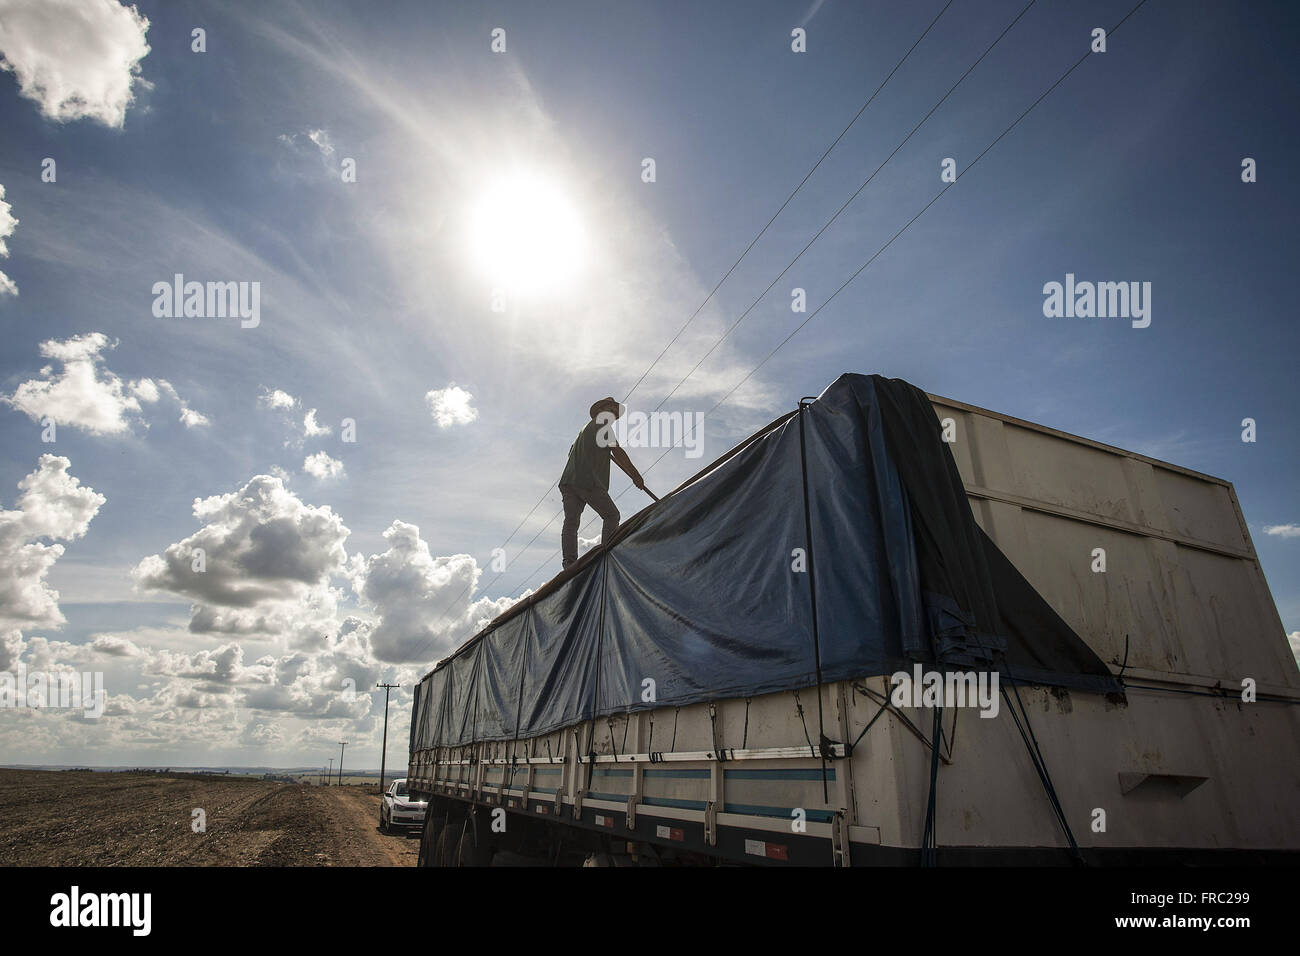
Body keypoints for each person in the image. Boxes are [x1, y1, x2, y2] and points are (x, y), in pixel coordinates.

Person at [559, 396, 651, 569]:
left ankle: (569, 563)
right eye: (612, 410)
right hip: (588, 481)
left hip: (568, 482)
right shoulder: (602, 425)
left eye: (616, 413)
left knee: (571, 522)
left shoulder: (584, 430)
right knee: (612, 516)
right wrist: (635, 475)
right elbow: (618, 452)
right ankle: (607, 554)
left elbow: (571, 452)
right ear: (601, 409)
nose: (614, 415)